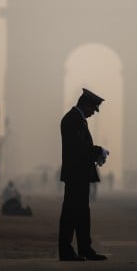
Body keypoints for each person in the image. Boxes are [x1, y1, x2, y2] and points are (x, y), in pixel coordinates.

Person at [58, 88, 110, 261]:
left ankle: (84, 248)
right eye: (93, 109)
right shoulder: (73, 120)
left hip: (77, 174)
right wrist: (99, 151)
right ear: (86, 105)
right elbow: (80, 149)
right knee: (72, 213)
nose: (93, 113)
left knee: (80, 213)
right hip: (76, 174)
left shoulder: (76, 119)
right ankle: (67, 250)